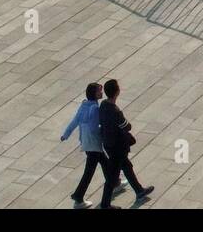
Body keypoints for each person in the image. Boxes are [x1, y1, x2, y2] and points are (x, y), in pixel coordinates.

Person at [61, 82, 120, 208]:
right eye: (99, 91)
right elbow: (94, 128)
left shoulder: (84, 105)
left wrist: (65, 134)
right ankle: (79, 196)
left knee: (102, 165)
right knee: (93, 170)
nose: (102, 92)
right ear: (94, 94)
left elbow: (75, 121)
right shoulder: (94, 109)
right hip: (94, 144)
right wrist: (104, 132)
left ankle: (114, 183)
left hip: (86, 143)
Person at [98, 79, 153, 207]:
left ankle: (139, 191)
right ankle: (105, 204)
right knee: (112, 177)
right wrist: (128, 124)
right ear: (117, 92)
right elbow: (126, 126)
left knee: (127, 167)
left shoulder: (103, 105)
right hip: (117, 147)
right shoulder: (115, 111)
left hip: (108, 144)